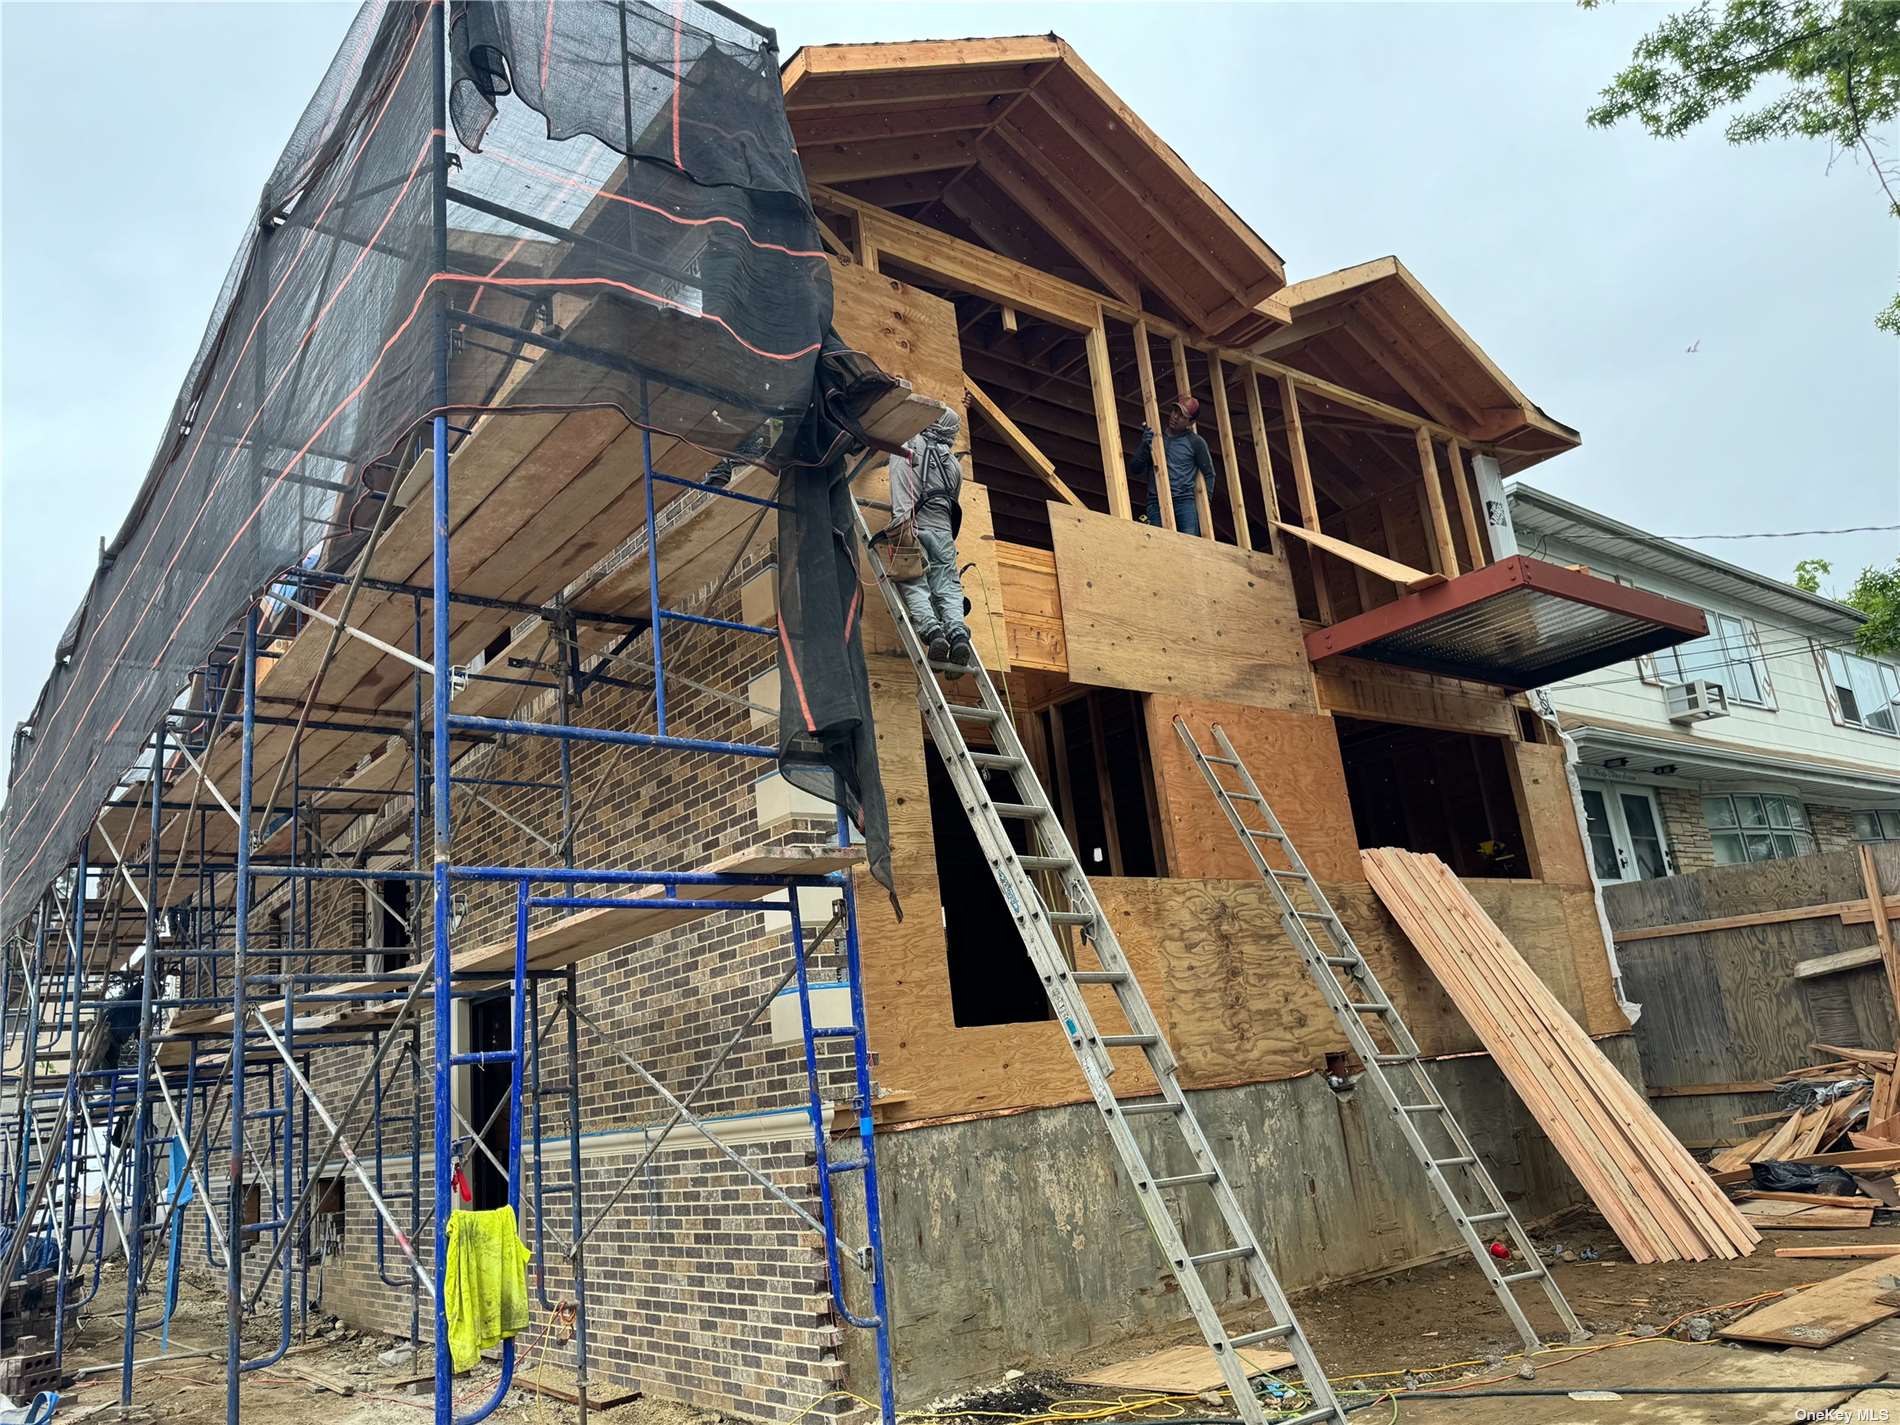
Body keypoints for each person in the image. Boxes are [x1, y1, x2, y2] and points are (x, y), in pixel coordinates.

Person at [886, 402, 972, 669]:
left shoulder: (907, 450)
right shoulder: (954, 466)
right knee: (948, 585)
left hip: (913, 527)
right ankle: (958, 634)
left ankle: (934, 632)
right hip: (943, 532)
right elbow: (951, 502)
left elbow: (901, 492)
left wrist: (900, 531)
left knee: (914, 582)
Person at [1128, 396, 1216, 536]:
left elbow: (1209, 474)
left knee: (1189, 548)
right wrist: (1144, 445)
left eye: (1182, 416)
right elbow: (1135, 468)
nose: (1175, 417)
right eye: (1175, 411)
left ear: (1191, 422)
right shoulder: (1155, 438)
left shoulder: (1196, 442)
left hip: (1184, 503)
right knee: (1158, 548)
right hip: (1156, 502)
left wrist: (1206, 505)